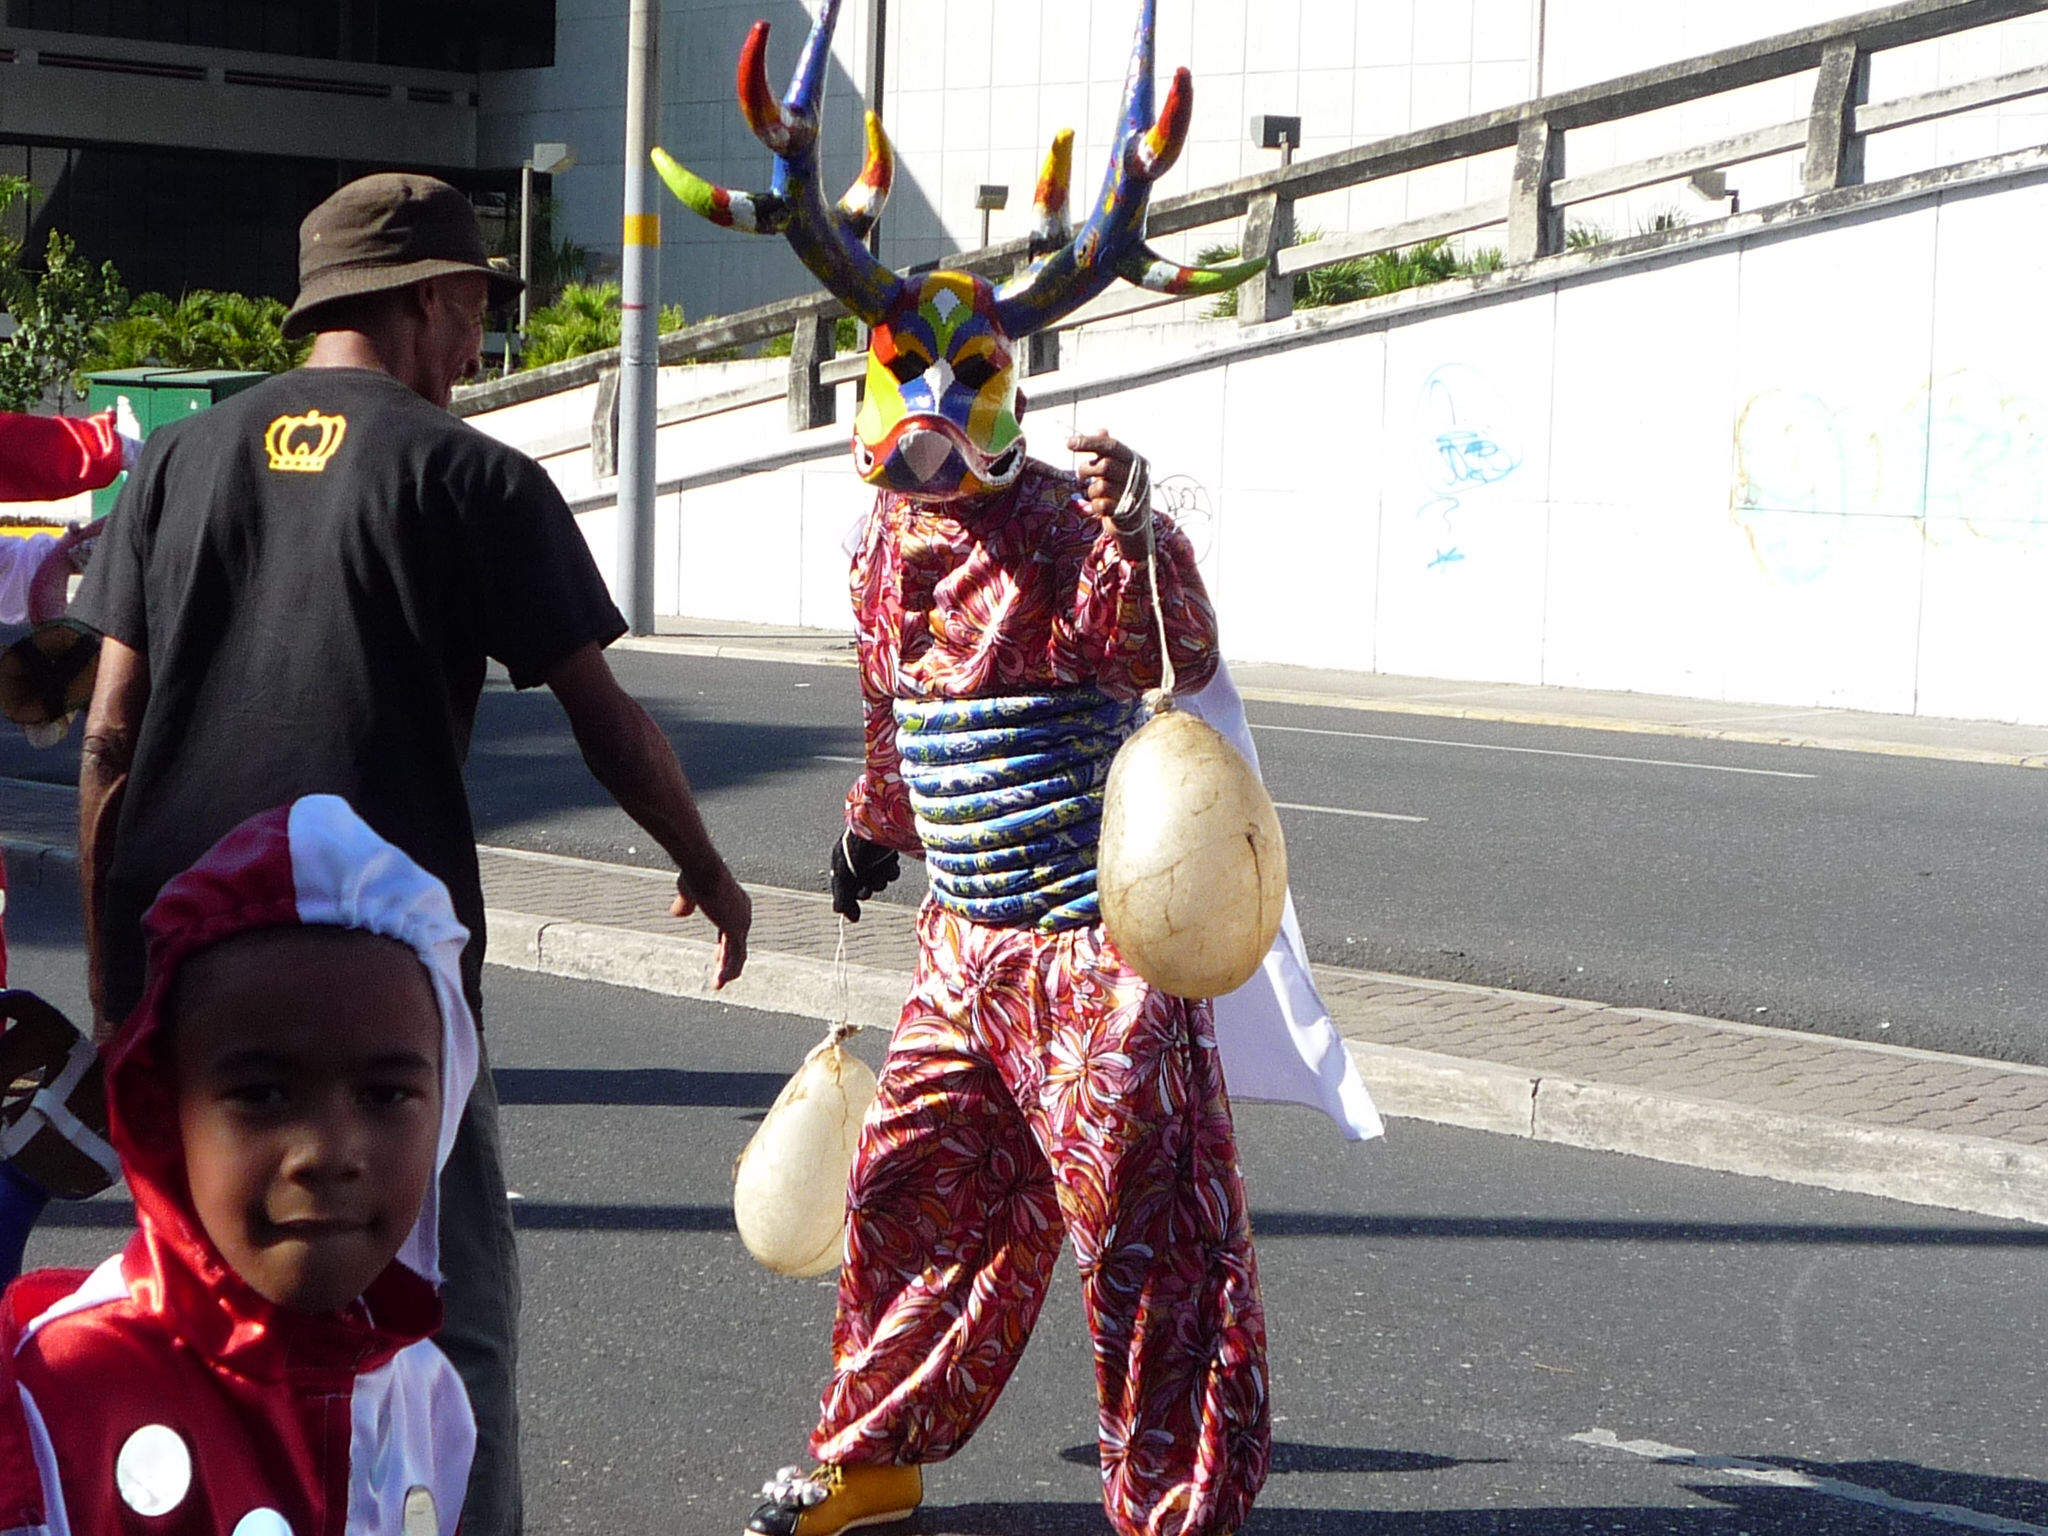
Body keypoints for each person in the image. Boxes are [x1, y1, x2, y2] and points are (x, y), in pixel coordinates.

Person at [66, 172, 752, 1536]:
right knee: (453, 1316)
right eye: (473, 313)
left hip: (197, 982)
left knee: (201, 1298)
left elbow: (107, 738)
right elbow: (603, 717)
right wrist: (706, 863)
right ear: (430, 298)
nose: (475, 344)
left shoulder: (183, 462)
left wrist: (111, 975)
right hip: (387, 993)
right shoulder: (467, 472)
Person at [0, 795, 480, 1535]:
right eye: (261, 1095)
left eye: (386, 1093)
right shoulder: (53, 1399)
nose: (328, 1152)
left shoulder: (425, 1396)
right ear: (165, 1112)